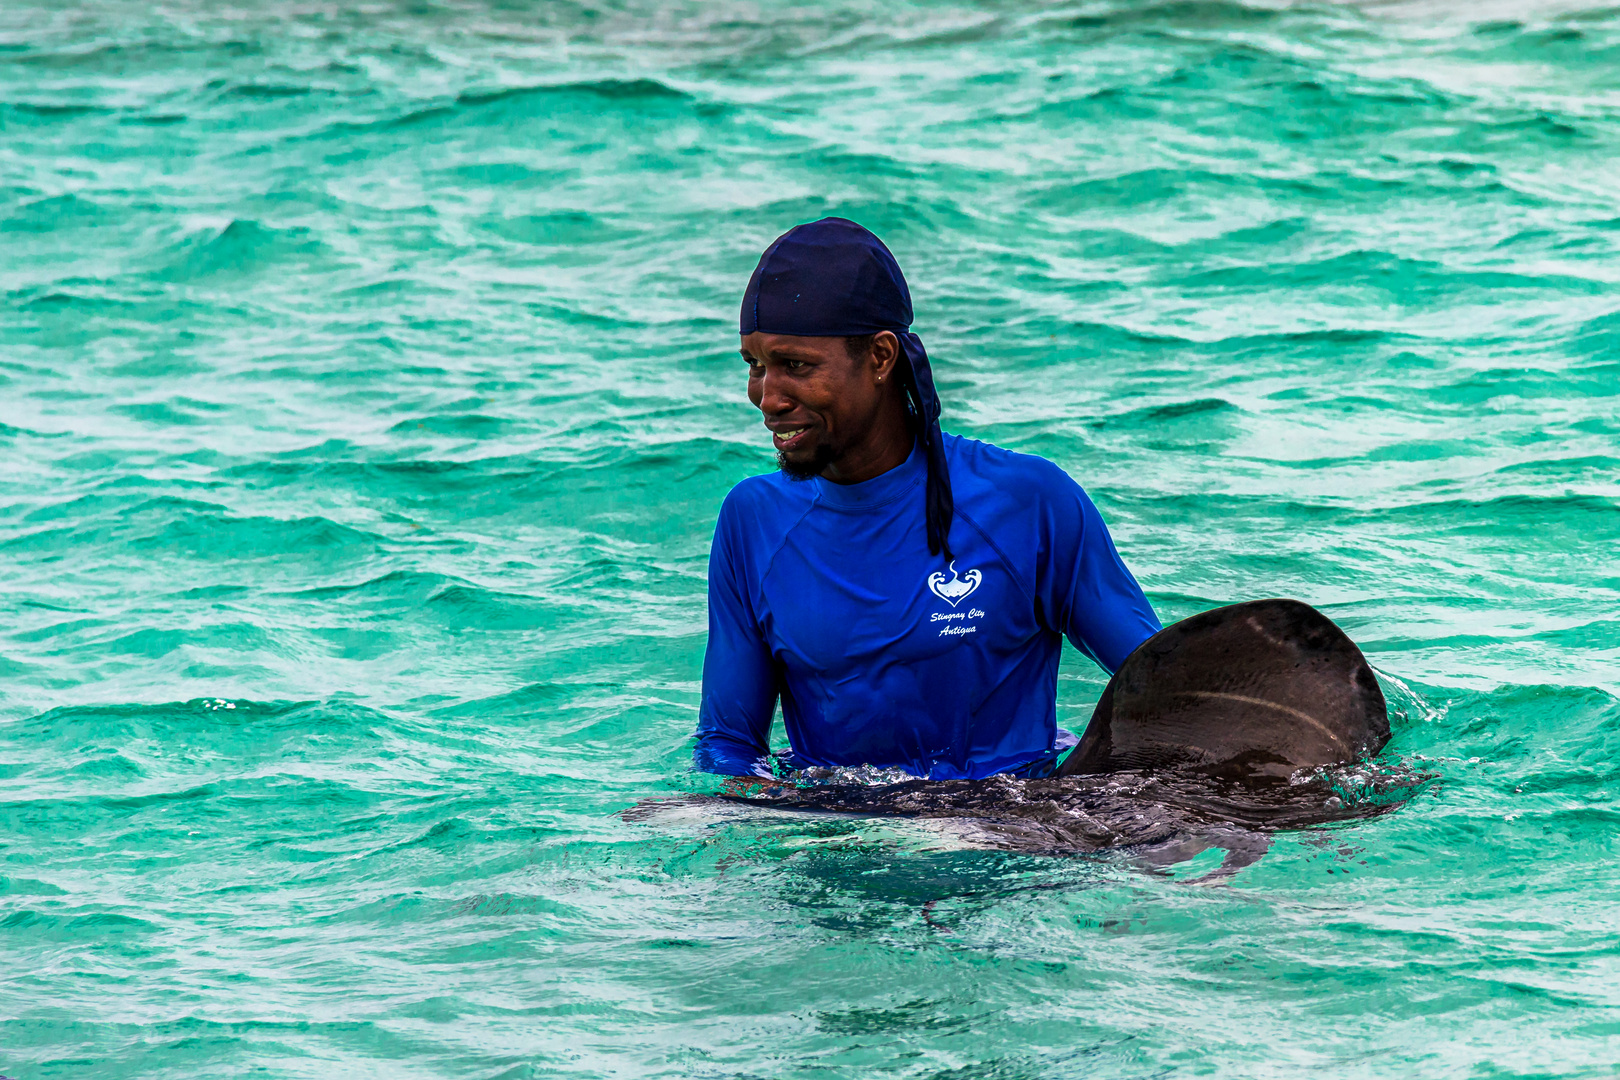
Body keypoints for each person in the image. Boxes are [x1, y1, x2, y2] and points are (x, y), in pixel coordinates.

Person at [694, 217, 1160, 783]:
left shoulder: (1027, 503)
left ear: (882, 357)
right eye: (754, 365)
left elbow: (1168, 693)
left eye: (795, 366)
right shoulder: (753, 521)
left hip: (1008, 841)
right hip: (838, 844)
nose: (766, 398)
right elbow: (728, 743)